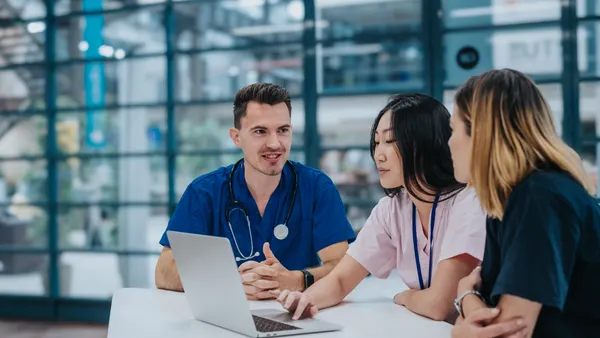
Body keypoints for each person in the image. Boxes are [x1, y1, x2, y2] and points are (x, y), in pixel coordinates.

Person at [273, 93, 487, 322]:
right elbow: (340, 280)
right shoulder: (392, 210)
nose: (378, 154)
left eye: (389, 141)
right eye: (376, 142)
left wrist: (406, 297)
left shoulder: (468, 202)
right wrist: (305, 300)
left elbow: (439, 305)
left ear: (424, 142)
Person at [155, 83, 356, 300]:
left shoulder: (316, 187)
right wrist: (231, 282)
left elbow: (341, 266)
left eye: (283, 130)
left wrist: (296, 280)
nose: (274, 143)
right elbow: (164, 270)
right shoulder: (204, 192)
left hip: (298, 318)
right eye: (260, 131)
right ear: (236, 137)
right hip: (225, 319)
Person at [449, 69, 600, 338]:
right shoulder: (507, 204)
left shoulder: (541, 197)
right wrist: (471, 308)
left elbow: (509, 331)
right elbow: (495, 319)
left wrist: (465, 298)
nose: (448, 143)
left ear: (481, 133)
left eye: (453, 129)